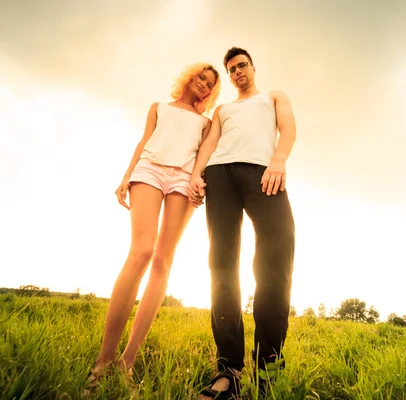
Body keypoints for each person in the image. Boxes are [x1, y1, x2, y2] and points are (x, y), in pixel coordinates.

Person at [83, 62, 221, 393]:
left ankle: (126, 363)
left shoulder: (205, 122)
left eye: (210, 83)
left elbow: (205, 154)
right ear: (190, 78)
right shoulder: (158, 107)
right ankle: (103, 361)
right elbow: (144, 141)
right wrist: (126, 176)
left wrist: (198, 182)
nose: (203, 84)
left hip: (183, 179)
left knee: (162, 260)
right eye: (201, 77)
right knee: (142, 251)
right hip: (150, 170)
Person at [189, 46, 297, 399]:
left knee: (277, 257)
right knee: (221, 263)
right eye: (231, 69)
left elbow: (289, 129)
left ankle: (268, 371)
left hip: (263, 172)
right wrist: (196, 175)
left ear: (252, 67)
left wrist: (278, 160)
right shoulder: (224, 109)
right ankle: (230, 370)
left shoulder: (274, 96)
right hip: (220, 175)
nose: (237, 72)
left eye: (241, 65)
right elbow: (209, 145)